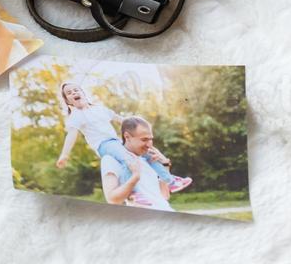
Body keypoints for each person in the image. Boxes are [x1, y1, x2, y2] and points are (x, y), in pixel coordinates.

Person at [55, 82, 191, 194]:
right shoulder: (76, 117)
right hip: (104, 145)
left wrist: (137, 123)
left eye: (76, 90)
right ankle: (134, 194)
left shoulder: (99, 109)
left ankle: (170, 182)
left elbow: (121, 120)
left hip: (116, 141)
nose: (74, 93)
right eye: (69, 93)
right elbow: (71, 135)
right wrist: (64, 155)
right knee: (127, 158)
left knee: (146, 152)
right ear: (67, 101)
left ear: (83, 93)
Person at [102, 116, 174, 210]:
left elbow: (164, 196)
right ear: (127, 136)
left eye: (150, 139)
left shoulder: (148, 160)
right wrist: (135, 177)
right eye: (144, 139)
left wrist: (165, 165)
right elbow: (112, 200)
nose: (149, 144)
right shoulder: (110, 160)